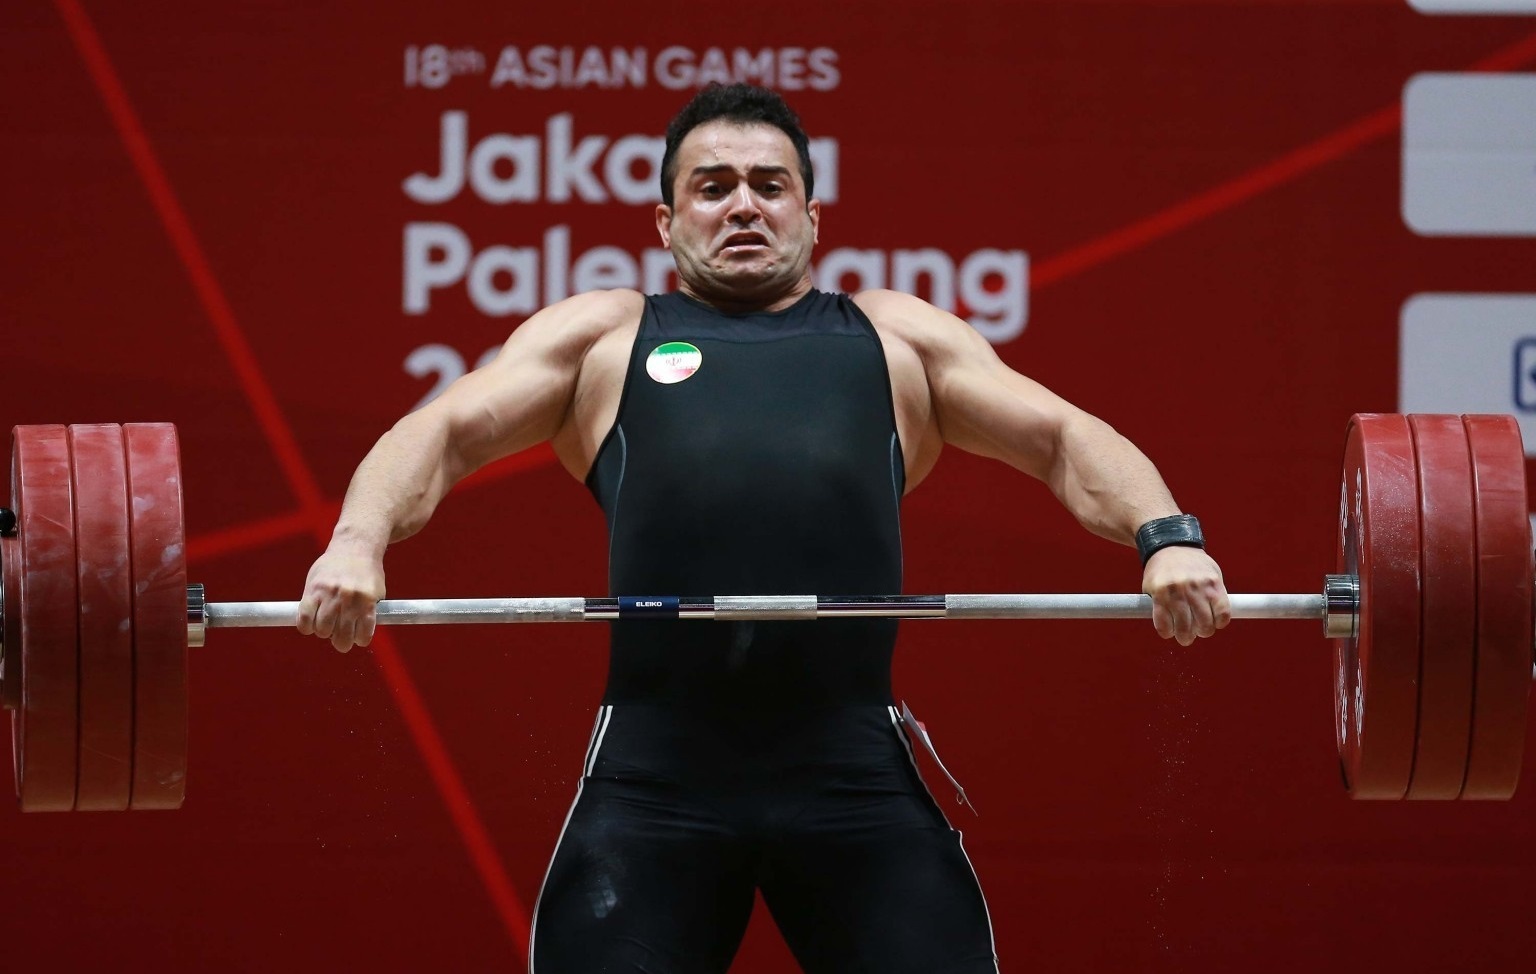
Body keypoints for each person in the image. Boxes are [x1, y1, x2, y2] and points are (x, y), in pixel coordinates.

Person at [298, 83, 1230, 974]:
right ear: (666, 223)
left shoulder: (893, 337)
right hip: (654, 783)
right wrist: (356, 541)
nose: (743, 205)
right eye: (713, 187)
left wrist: (1165, 537)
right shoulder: (604, 336)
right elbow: (443, 431)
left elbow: (1063, 438)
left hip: (851, 774)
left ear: (812, 218)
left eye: (769, 185)